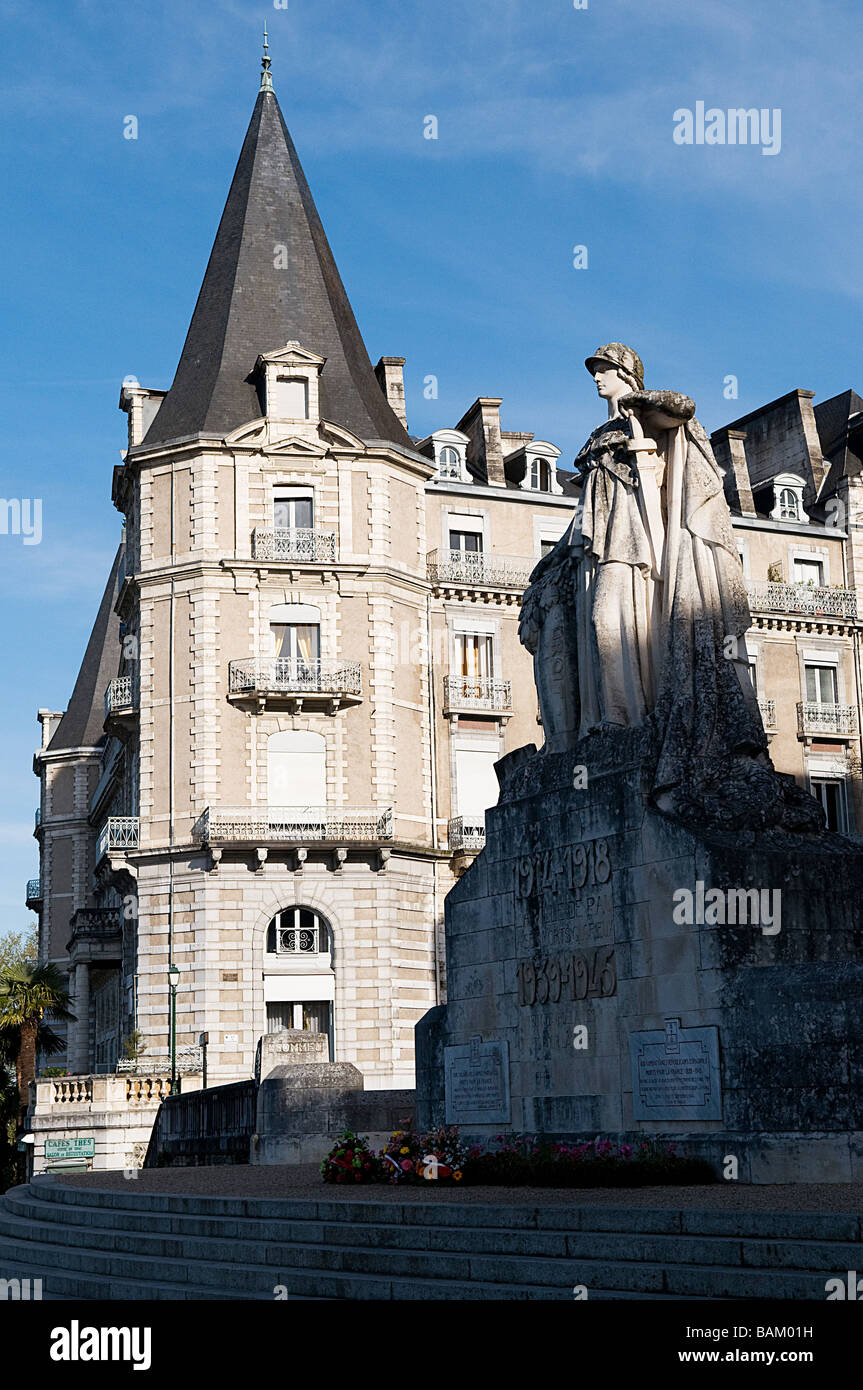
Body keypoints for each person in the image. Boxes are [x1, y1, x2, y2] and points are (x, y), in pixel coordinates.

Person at [520, 343, 767, 810]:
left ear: (627, 375)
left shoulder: (644, 419)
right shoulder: (599, 436)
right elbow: (584, 508)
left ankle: (624, 719)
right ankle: (604, 721)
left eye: (606, 370)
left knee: (611, 624)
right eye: (595, 371)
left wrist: (640, 414)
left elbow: (682, 412)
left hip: (634, 543)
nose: (597, 378)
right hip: (595, 546)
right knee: (599, 630)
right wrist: (554, 559)